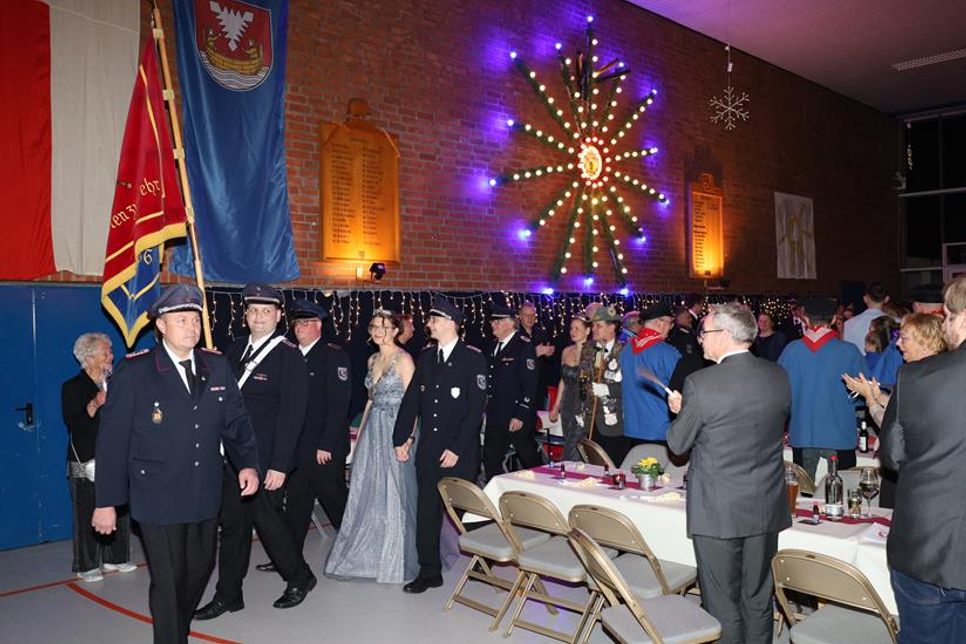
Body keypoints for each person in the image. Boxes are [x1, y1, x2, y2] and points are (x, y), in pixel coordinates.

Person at [93, 285, 260, 644]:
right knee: (168, 580)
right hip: (157, 494)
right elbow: (112, 440)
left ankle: (175, 627)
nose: (191, 326)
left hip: (204, 490)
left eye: (195, 319)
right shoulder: (136, 371)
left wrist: (247, 463)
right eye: (181, 319)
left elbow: (236, 420)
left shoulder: (215, 365)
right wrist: (106, 501)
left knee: (199, 569)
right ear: (162, 327)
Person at [666, 303, 791, 644]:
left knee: (722, 602)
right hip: (765, 503)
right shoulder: (777, 374)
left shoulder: (701, 384)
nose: (701, 340)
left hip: (718, 509)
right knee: (757, 596)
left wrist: (682, 412)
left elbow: (678, 444)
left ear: (724, 335)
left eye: (704, 332)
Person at [195, 283, 316, 620]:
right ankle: (229, 594)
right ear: (245, 314)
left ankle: (299, 576)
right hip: (233, 457)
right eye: (253, 310)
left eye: (266, 311)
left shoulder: (288, 356)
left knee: (268, 522)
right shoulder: (233, 350)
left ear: (279, 316)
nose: (258, 316)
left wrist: (279, 465)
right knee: (233, 526)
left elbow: (293, 416)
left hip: (265, 460)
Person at [879, 275, 966, 641]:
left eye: (946, 316)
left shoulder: (917, 376)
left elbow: (894, 456)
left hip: (928, 547)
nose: (944, 324)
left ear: (961, 318)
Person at [392, 296, 487, 594]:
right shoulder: (427, 356)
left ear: (450, 323)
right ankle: (429, 570)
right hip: (430, 449)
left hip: (460, 451)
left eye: (434, 320)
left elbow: (475, 411)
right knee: (427, 511)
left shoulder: (473, 358)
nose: (428, 324)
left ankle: (487, 558)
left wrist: (457, 448)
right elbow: (413, 401)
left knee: (466, 511)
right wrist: (401, 437)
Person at [326, 309, 419, 583]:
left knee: (397, 492)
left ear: (395, 331)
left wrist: (407, 438)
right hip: (374, 428)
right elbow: (370, 399)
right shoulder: (372, 359)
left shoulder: (404, 359)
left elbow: (412, 405)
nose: (378, 331)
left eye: (384, 326)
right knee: (370, 488)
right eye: (374, 326)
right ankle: (372, 551)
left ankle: (397, 556)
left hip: (397, 428)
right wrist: (361, 430)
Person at [843, 312, 946, 509]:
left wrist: (870, 400)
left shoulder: (913, 374)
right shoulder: (937, 371)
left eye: (904, 339)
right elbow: (904, 407)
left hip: (912, 468)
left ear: (925, 341)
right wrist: (878, 395)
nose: (898, 345)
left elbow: (893, 425)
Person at [62, 332, 135, 582]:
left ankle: (117, 557)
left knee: (119, 506)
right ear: (89, 357)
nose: (111, 356)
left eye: (111, 352)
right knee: (86, 512)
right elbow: (76, 425)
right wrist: (95, 403)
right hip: (85, 459)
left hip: (114, 456)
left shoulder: (116, 383)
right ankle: (87, 564)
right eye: (106, 352)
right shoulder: (72, 387)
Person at [280, 299, 351, 557]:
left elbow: (338, 405)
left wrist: (326, 444)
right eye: (297, 322)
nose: (300, 327)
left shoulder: (333, 355)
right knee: (297, 504)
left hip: (324, 448)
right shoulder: (289, 355)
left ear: (318, 325)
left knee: (334, 500)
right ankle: (288, 557)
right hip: (298, 447)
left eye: (306, 322)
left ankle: (354, 550)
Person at [778, 296, 865, 480]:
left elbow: (780, 395)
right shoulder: (849, 351)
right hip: (840, 433)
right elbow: (863, 396)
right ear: (834, 319)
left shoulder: (791, 351)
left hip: (802, 432)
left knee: (802, 495)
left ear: (805, 318)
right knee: (842, 491)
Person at [483, 304, 540, 480]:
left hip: (515, 414)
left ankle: (543, 490)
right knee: (490, 459)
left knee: (528, 457)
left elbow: (531, 384)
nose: (493, 324)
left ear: (510, 323)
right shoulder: (493, 346)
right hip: (495, 413)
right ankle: (497, 497)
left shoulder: (523, 345)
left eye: (497, 321)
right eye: (493, 321)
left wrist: (521, 414)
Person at [620, 302, 681, 447]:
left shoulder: (626, 350)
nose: (670, 328)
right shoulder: (668, 352)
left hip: (631, 428)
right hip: (659, 431)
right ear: (660, 323)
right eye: (670, 323)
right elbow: (682, 389)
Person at [579, 305, 626, 464]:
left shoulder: (625, 352)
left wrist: (608, 389)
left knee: (611, 467)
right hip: (590, 421)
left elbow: (632, 388)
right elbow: (582, 379)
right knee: (592, 467)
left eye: (598, 325)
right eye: (593, 325)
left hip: (613, 422)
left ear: (612, 327)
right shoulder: (588, 349)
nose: (594, 329)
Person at [548, 314, 591, 461]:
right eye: (571, 328)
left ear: (587, 331)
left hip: (584, 404)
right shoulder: (566, 351)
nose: (573, 331)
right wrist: (556, 405)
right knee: (568, 441)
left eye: (578, 328)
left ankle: (567, 475)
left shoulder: (593, 352)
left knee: (574, 446)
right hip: (567, 404)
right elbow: (563, 381)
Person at [518, 301, 556, 409]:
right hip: (521, 387)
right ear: (520, 316)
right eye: (527, 315)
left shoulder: (541, 333)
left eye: (533, 315)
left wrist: (549, 353)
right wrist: (534, 353)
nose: (530, 318)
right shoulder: (515, 335)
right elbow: (516, 358)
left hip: (539, 386)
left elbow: (550, 360)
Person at [843, 282, 889, 354]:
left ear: (865, 299)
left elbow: (846, 352)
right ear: (886, 299)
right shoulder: (897, 323)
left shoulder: (848, 324)